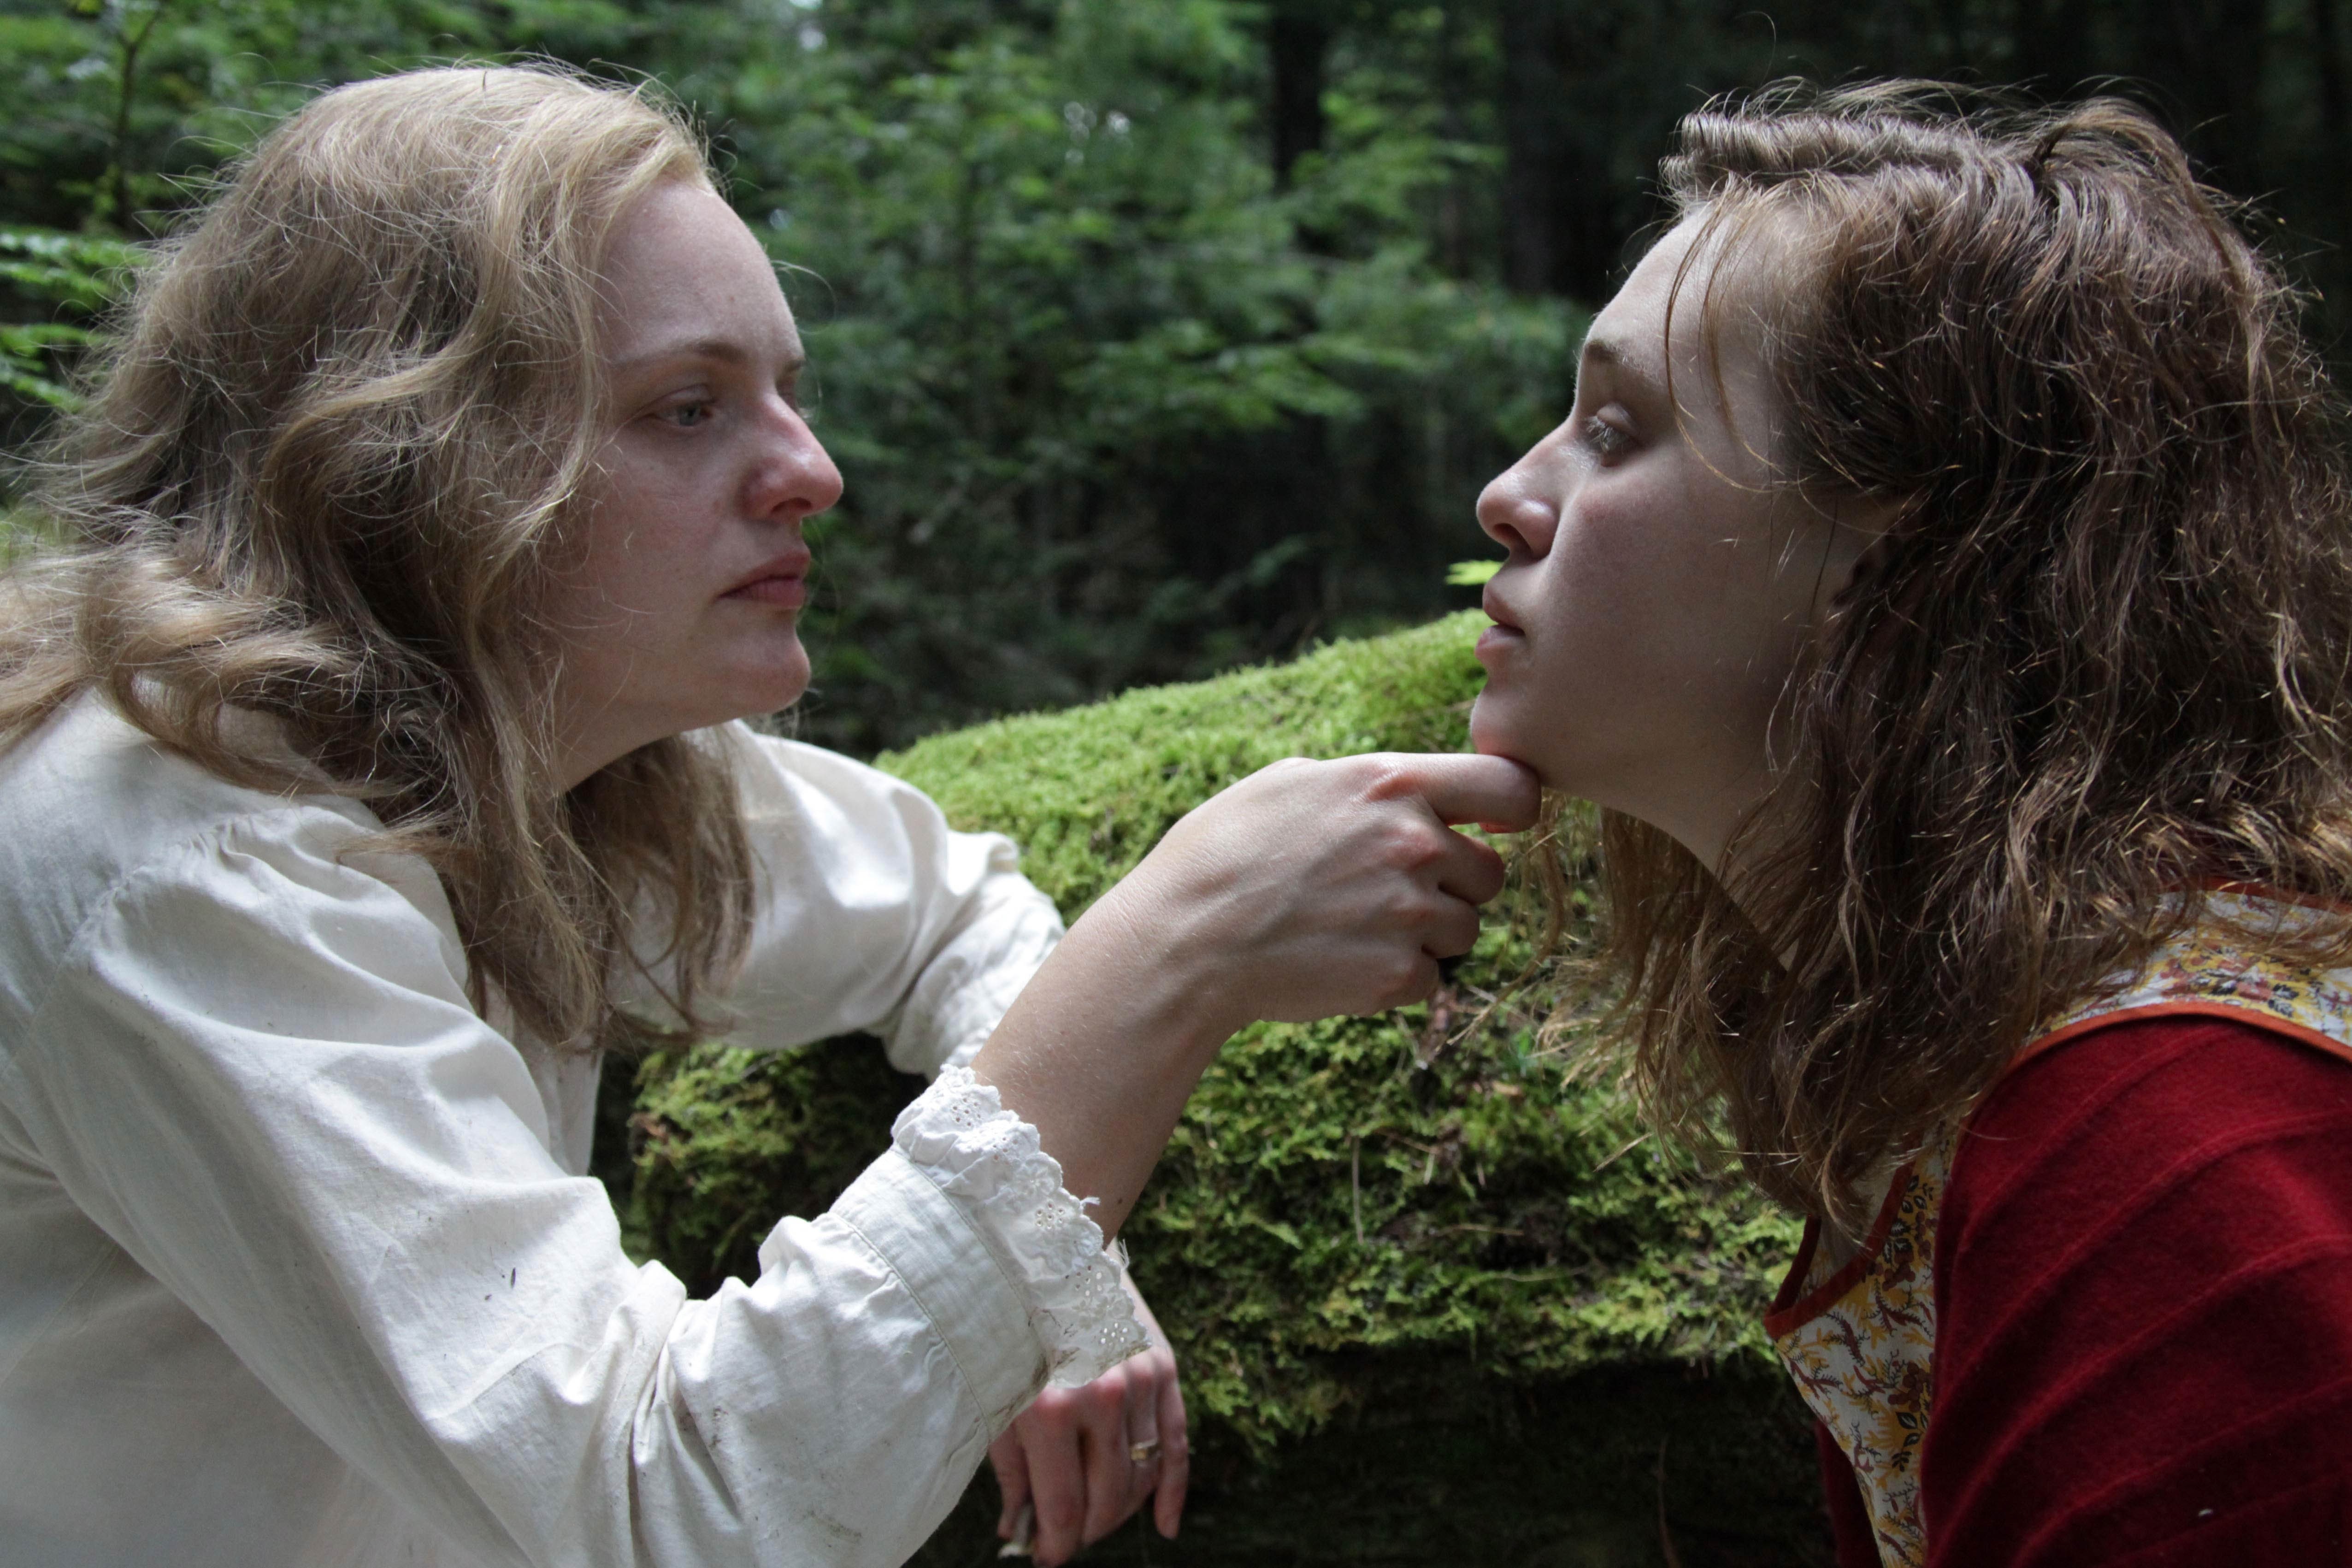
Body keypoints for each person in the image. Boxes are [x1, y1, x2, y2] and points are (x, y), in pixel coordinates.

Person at [0, 66, 1538, 1568]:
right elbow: (675, 1508)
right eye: (689, 408)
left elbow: (945, 909)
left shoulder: (537, 757)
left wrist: (1047, 1264)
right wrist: (1180, 948)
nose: (814, 472)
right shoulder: (187, 863)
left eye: (787, 396)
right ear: (407, 460)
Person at [1470, 83, 2352, 1567]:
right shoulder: (2003, 1070)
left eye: (1618, 431)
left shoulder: (2169, 1144)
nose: (1509, 495)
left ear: (1898, 550)